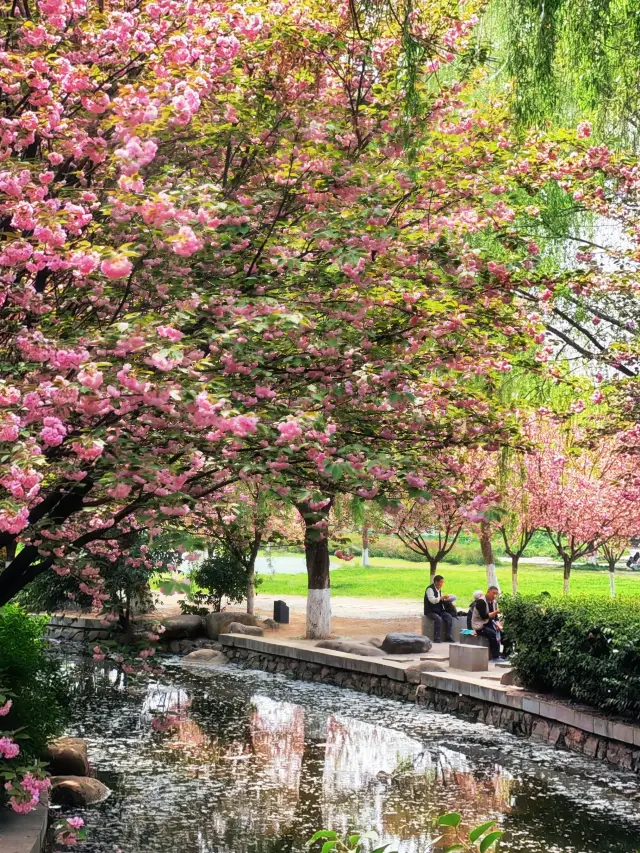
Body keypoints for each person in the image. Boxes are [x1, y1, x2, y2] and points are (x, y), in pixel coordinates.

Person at [471, 586, 507, 662]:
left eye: (496, 594)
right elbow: (484, 616)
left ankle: (506, 654)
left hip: (490, 623)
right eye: (493, 593)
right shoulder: (481, 601)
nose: (495, 596)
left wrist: (497, 624)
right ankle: (495, 656)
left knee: (505, 634)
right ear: (488, 592)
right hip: (480, 626)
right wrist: (496, 612)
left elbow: (495, 617)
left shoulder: (494, 602)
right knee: (492, 634)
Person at [423, 575, 454, 643]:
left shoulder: (439, 590)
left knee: (449, 617)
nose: (442, 584)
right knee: (438, 619)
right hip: (430, 611)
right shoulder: (430, 589)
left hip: (439, 610)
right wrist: (441, 597)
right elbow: (432, 600)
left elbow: (441, 600)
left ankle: (448, 637)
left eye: (442, 582)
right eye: (441, 582)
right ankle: (437, 638)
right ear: (436, 582)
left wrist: (448, 600)